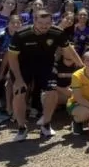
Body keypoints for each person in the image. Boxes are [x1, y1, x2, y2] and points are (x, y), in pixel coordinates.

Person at [6, 11, 82, 142]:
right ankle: (21, 127)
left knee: (52, 92)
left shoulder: (57, 32)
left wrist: (81, 65)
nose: (44, 26)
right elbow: (12, 58)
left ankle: (46, 124)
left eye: (47, 23)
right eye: (40, 23)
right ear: (34, 21)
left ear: (52, 22)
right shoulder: (21, 34)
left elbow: (68, 49)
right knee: (19, 93)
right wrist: (18, 79)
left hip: (46, 66)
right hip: (23, 67)